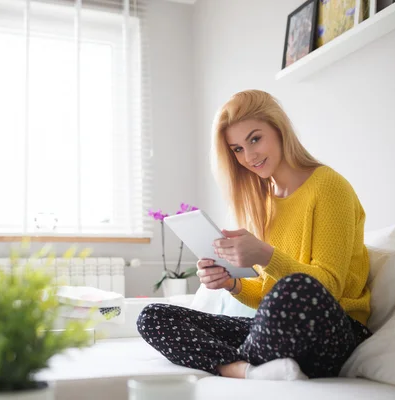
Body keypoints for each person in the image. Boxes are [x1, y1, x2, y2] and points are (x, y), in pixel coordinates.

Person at [137, 90, 372, 380]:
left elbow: (328, 289)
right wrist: (232, 283)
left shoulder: (329, 187)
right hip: (277, 329)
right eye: (237, 149)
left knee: (294, 287)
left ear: (279, 129)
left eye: (255, 139)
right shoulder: (266, 203)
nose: (249, 156)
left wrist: (265, 255)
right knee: (154, 317)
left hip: (333, 331)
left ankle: (247, 360)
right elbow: (266, 295)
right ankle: (242, 369)